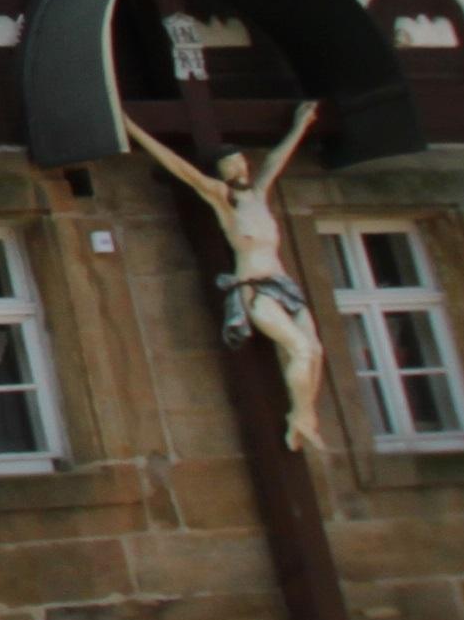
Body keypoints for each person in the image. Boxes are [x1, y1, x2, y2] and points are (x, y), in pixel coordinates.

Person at [125, 99, 330, 453]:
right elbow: (181, 169)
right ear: (221, 173)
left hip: (283, 284)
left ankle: (303, 415)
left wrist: (301, 124)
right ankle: (301, 416)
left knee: (315, 350)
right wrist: (132, 129)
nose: (237, 166)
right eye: (228, 164)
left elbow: (277, 159)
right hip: (255, 289)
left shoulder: (258, 195)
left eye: (239, 160)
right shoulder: (224, 199)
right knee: (299, 349)